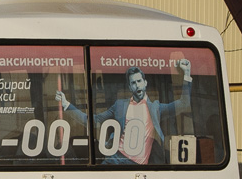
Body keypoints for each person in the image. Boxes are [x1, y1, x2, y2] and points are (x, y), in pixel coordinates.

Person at [54, 60, 194, 165]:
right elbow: (94, 121)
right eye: (133, 83)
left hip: (136, 165)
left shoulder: (156, 108)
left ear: (145, 83)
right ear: (129, 87)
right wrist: (66, 104)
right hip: (115, 158)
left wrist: (187, 73)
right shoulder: (120, 105)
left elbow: (183, 104)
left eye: (139, 81)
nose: (137, 85)